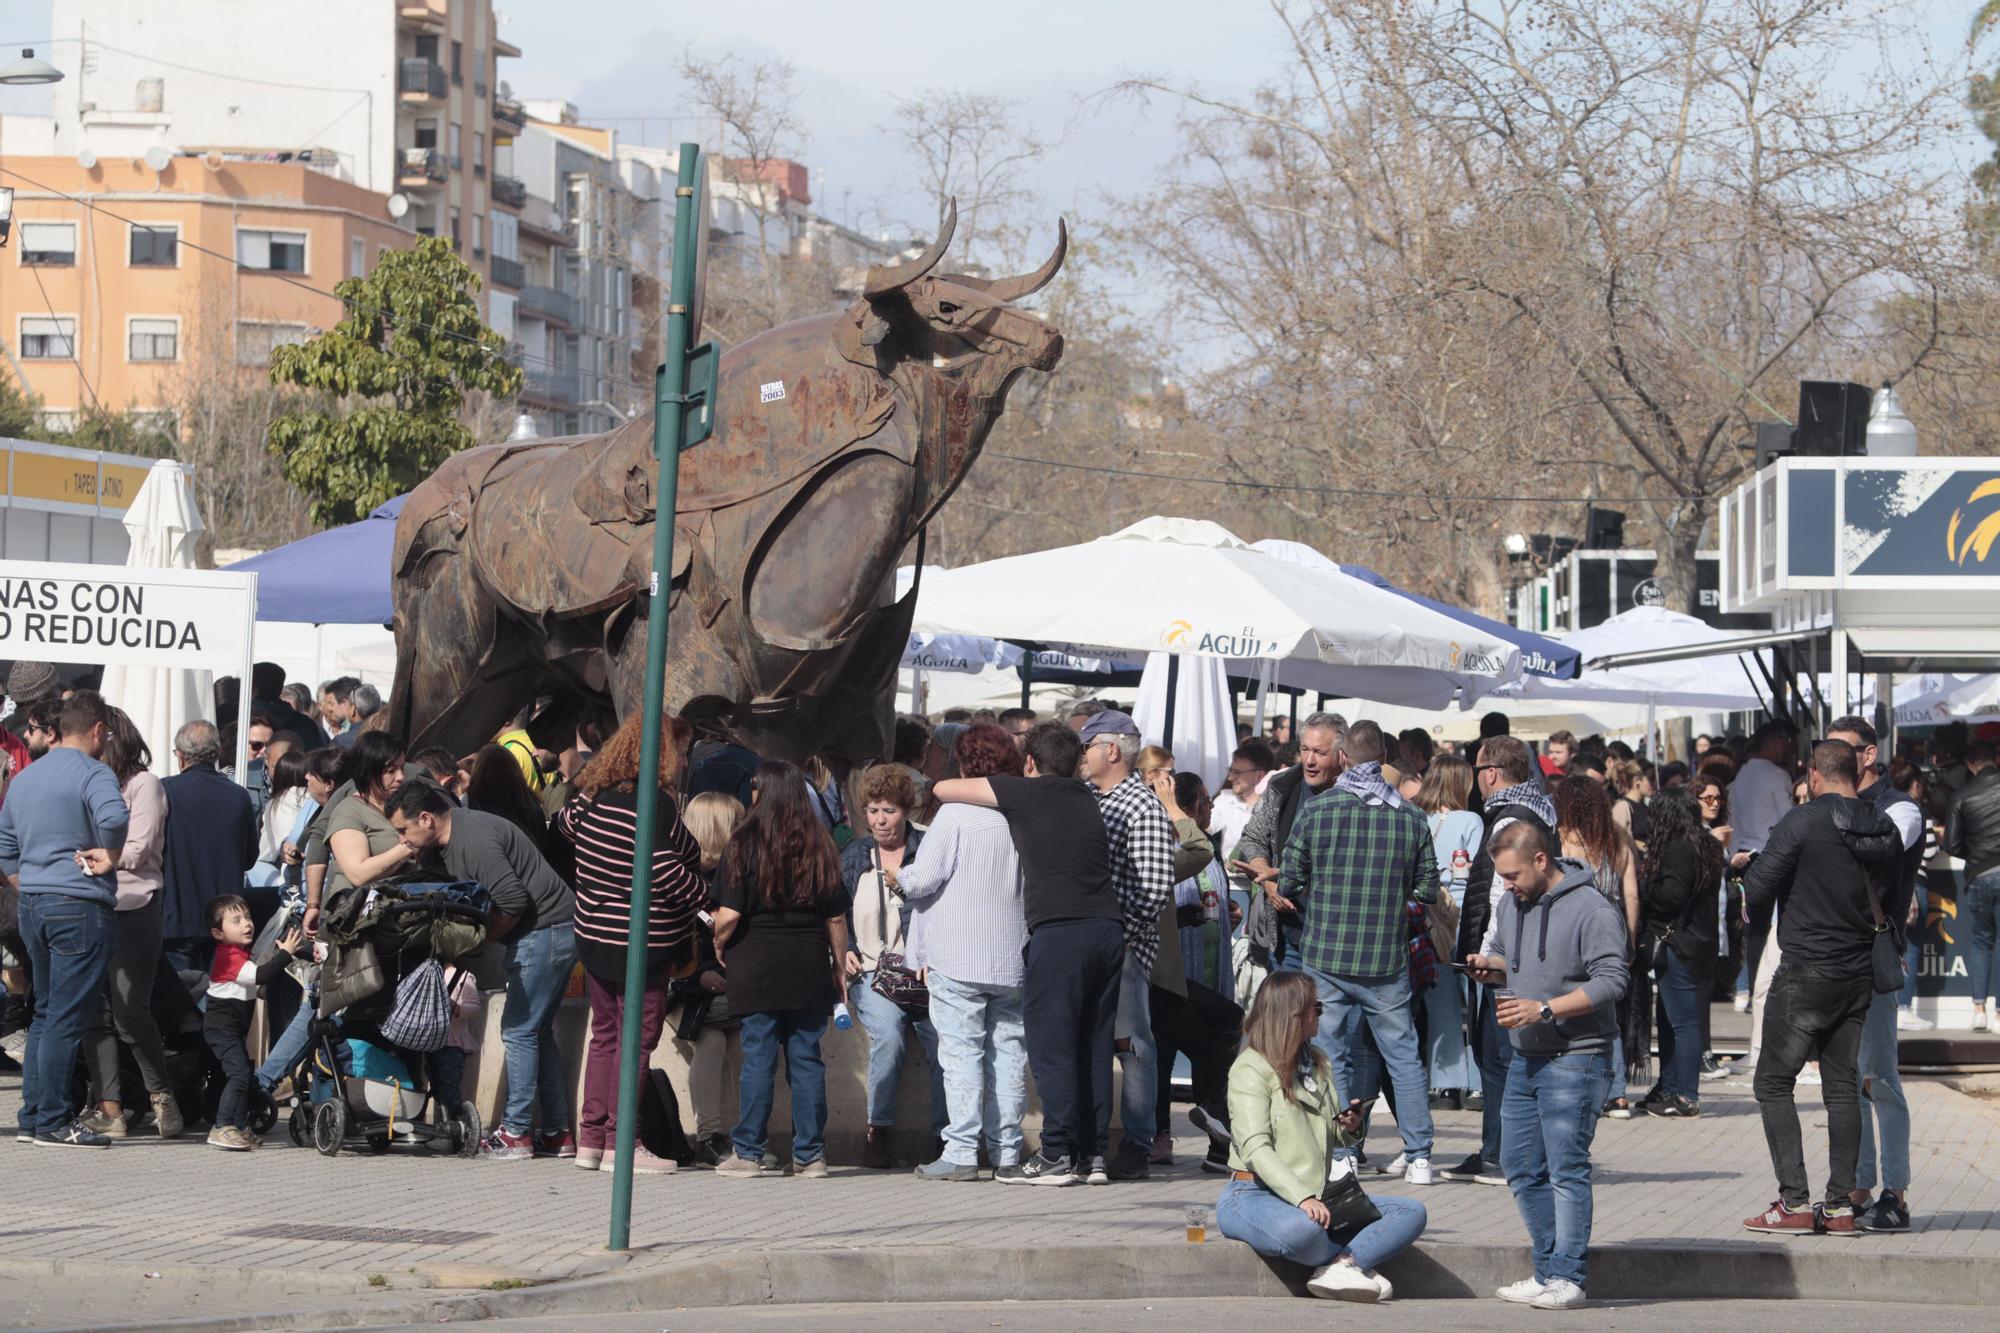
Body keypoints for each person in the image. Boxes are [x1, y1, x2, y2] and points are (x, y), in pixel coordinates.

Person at [933, 721, 1121, 1186]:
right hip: (1107, 930)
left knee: (1053, 1047)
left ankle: (1055, 1154)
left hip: (1061, 933)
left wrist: (1011, 781)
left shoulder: (1026, 793)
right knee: (1094, 1046)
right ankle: (1091, 1155)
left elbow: (941, 787)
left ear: (1032, 763)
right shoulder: (1088, 797)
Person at [1740, 740, 1901, 1236]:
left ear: (1814, 773)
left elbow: (1760, 887)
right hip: (1857, 974)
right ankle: (1839, 1207)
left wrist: (1742, 875)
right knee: (1842, 1089)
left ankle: (1794, 1202)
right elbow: (1892, 892)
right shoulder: (1884, 824)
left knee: (1771, 1082)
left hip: (1806, 968)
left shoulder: (1804, 820)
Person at [1467, 821, 1628, 1310]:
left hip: (1576, 1057)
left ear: (1542, 860)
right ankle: (1548, 1269)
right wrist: (1489, 964)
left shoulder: (1592, 908)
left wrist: (1546, 1008)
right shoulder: (1509, 904)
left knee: (1567, 1169)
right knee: (1519, 1165)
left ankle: (1569, 1276)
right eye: (1503, 877)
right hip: (1526, 1054)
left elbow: (1613, 981)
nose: (1508, 885)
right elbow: (1505, 954)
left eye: (1513, 875)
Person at [1278, 718, 1439, 1183]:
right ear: (1384, 760)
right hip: (1385, 958)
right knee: (1403, 1056)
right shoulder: (1411, 817)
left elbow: (1289, 880)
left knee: (1329, 1055)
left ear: (1343, 756)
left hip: (1326, 952)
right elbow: (1428, 889)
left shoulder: (1319, 810)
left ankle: (1341, 1152)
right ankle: (1420, 1154)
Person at [388, 779, 579, 1162]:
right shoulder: (452, 836)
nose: (402, 840)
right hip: (553, 929)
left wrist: (480, 942)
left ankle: (517, 1133)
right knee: (537, 1032)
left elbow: (512, 898)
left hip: (546, 931)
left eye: (403, 830)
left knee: (519, 1030)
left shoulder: (473, 837)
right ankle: (556, 1133)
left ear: (425, 818)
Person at [552, 710, 707, 1175]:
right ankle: (624, 1144)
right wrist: (705, 900)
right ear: (663, 751)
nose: (683, 761)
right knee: (636, 1041)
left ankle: (591, 1141)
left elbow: (564, 826)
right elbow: (669, 863)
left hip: (593, 932)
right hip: (640, 940)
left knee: (605, 1036)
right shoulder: (654, 805)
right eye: (680, 750)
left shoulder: (593, 795)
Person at [1214, 970, 1428, 1303]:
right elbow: (1256, 1148)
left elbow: (1332, 1136)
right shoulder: (1250, 1068)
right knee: (1303, 1230)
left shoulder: (1316, 1063)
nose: (1322, 1013)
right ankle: (1352, 1264)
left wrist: (1350, 1126)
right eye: (1317, 1007)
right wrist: (1302, 1198)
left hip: (1316, 1197)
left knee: (1411, 1212)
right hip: (1254, 1194)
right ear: (1294, 1014)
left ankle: (1345, 1265)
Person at [890, 723, 1030, 1181]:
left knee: (961, 1053)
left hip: (959, 955)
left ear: (966, 765)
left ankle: (962, 1151)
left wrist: (900, 879)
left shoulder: (954, 815)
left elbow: (925, 879)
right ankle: (1008, 1151)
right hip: (1012, 955)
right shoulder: (1023, 815)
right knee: (1009, 1053)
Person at [0, 690, 130, 1147]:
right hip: (77, 902)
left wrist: (28, 881)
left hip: (33, 902)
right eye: (106, 733)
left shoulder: (26, 777)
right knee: (65, 1016)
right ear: (97, 730)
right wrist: (110, 855)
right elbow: (113, 817)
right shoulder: (94, 772)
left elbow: (5, 846)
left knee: (44, 1013)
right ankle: (53, 1118)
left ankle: (34, 1116)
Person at [711, 760, 850, 1178]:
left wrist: (718, 942)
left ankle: (749, 1152)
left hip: (756, 962)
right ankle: (811, 1155)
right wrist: (839, 968)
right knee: (807, 1059)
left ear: (763, 792)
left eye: (754, 786)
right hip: (807, 964)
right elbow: (836, 918)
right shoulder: (819, 842)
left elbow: (729, 913)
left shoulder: (743, 842)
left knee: (758, 1056)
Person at [1442, 734, 1558, 1187]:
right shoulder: (1538, 810)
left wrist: (1490, 954)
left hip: (1506, 957)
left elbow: (1500, 896)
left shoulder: (1509, 819)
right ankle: (1494, 1148)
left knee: (1499, 1055)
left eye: (1478, 770)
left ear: (1490, 772)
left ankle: (1505, 1155)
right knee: (1496, 1052)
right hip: (1520, 952)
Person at [1826, 716, 1923, 1234]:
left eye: (1842, 752)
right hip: (1835, 958)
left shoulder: (1900, 807)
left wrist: (1826, 822)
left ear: (1868, 755)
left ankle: (1897, 1193)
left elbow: (1883, 845)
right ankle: (1858, 1188)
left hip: (1875, 957)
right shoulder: (1830, 807)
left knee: (1881, 1080)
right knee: (1849, 1082)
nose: (1832, 762)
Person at [1076, 710, 1177, 1183]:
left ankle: (1138, 1143)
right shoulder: (1098, 797)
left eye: (1087, 746)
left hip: (1125, 949)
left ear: (1111, 750)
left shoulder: (1142, 804)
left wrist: (1118, 937)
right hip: (1100, 943)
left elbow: (1155, 888)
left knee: (1134, 1046)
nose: (1082, 755)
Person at [78, 706, 180, 1140]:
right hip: (92, 904)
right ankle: (110, 1107)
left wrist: (95, 856)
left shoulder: (144, 785)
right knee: (94, 1013)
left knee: (128, 1010)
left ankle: (162, 1096)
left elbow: (139, 848)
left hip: (134, 905)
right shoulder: (90, 783)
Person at [840, 764, 945, 1169]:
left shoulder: (929, 847)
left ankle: (944, 1138)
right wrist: (844, 947)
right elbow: (838, 909)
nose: (880, 820)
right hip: (872, 971)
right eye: (872, 810)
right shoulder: (855, 853)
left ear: (907, 811)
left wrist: (932, 955)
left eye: (889, 811)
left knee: (943, 1044)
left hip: (923, 971)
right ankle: (877, 1130)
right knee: (888, 1035)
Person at [1629, 786, 1723, 1119]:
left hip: (1679, 943)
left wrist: (1643, 884)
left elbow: (1672, 895)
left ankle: (1686, 1096)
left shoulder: (1678, 848)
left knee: (1682, 1023)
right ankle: (1669, 1086)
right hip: (1700, 942)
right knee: (1670, 1021)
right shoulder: (1707, 844)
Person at [1235, 714, 1345, 974]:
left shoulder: (1355, 797)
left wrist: (1283, 876)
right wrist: (1269, 880)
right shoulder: (1282, 786)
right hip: (1287, 938)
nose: (1309, 760)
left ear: (1342, 755)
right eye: (1305, 749)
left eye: (1320, 752)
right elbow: (1252, 837)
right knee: (1289, 1014)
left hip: (1339, 941)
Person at [202, 894, 306, 1150]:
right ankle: (222, 1126)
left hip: (233, 1030)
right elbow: (261, 975)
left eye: (247, 917)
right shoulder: (228, 956)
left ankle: (239, 1125)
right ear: (218, 933)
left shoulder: (239, 952)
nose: (246, 924)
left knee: (244, 1075)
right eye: (236, 921)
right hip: (221, 1030)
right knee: (238, 1075)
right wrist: (284, 954)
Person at [676, 791, 746, 1166]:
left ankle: (745, 1136)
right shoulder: (684, 880)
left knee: (739, 1045)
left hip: (729, 988)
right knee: (712, 1042)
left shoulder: (738, 875)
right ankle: (709, 1136)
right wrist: (702, 974)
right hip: (688, 989)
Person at [159, 719, 259, 976]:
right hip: (226, 921)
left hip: (177, 918)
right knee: (222, 1003)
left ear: (181, 757)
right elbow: (249, 858)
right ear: (216, 754)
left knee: (180, 1005)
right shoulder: (239, 795)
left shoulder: (165, 791)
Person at [1413, 753, 1483, 1106]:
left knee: (1440, 1002)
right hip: (1463, 915)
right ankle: (1477, 1081)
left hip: (1429, 916)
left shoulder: (1417, 818)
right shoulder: (1470, 820)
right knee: (1476, 1000)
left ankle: (1444, 1080)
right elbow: (1476, 874)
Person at [1947, 738, 2000, 1032]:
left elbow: (1951, 844)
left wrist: (1977, 855)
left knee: (1981, 942)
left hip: (1979, 873)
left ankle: (1978, 1009)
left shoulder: (1961, 795)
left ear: (1970, 765)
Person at [1213, 739, 1276, 865]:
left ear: (1259, 776)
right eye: (1230, 770)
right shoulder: (1225, 799)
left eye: (1237, 772)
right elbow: (1207, 826)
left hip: (1265, 881)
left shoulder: (1274, 806)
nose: (1230, 777)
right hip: (1231, 883)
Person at [1607, 759, 1653, 849]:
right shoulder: (1622, 808)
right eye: (1651, 779)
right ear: (1637, 781)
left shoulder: (1647, 808)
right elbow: (1618, 842)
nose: (1654, 783)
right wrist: (1642, 846)